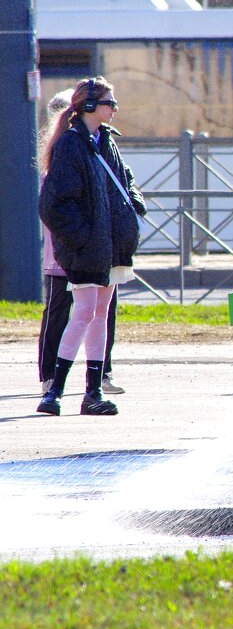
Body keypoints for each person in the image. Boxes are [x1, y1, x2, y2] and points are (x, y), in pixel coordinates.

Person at [37, 76, 145, 416]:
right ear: (88, 106)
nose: (115, 108)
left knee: (99, 315)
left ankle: (93, 393)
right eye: (109, 102)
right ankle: (54, 392)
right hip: (89, 246)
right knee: (83, 313)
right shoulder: (71, 144)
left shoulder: (106, 141)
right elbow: (54, 204)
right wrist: (82, 238)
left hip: (110, 245)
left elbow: (125, 179)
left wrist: (134, 207)